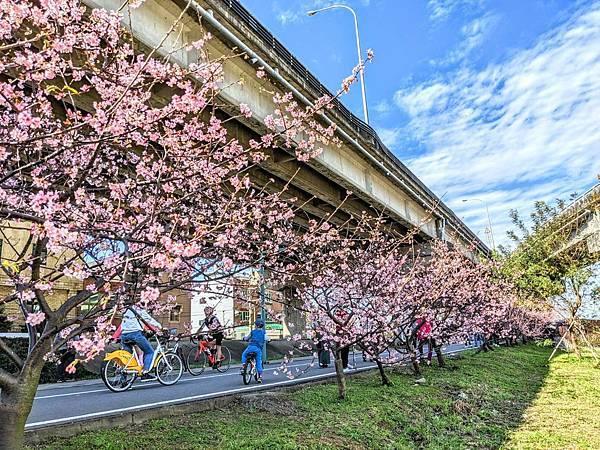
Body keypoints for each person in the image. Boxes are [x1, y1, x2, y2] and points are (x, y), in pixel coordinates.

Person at [120, 306, 163, 381]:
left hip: (124, 335)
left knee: (127, 357)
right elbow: (149, 320)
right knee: (149, 352)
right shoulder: (140, 310)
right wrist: (160, 327)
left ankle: (123, 380)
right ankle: (145, 373)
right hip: (135, 334)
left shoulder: (126, 309)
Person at [240, 318, 269, 383]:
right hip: (258, 349)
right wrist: (268, 340)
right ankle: (260, 377)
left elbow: (247, 338)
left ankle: (244, 366)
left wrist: (244, 338)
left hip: (250, 347)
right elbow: (267, 338)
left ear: (256, 325)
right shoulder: (263, 332)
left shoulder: (253, 332)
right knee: (259, 362)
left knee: (244, 355)